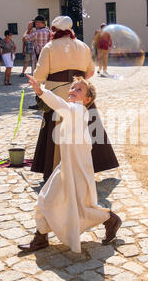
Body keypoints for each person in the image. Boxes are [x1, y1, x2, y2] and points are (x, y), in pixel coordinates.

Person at [18, 75, 122, 253]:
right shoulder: (75, 111)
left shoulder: (77, 110)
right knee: (47, 199)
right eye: (72, 88)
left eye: (79, 89)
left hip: (77, 170)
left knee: (79, 208)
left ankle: (110, 218)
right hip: (67, 167)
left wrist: (41, 91)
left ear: (87, 99)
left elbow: (59, 104)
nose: (73, 90)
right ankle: (41, 237)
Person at [31, 15, 119, 182]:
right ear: (70, 30)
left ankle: (55, 169)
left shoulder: (49, 47)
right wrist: (77, 83)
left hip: (56, 95)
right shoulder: (83, 46)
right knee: (90, 130)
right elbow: (91, 72)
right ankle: (88, 167)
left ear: (54, 30)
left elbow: (39, 76)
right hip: (79, 95)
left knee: (55, 135)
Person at [23, 15, 51, 108]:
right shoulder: (49, 31)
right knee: (48, 81)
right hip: (48, 59)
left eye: (35, 22)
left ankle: (39, 103)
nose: (35, 24)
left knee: (37, 81)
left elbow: (24, 39)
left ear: (39, 23)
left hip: (38, 59)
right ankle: (48, 102)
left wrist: (28, 29)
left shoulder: (36, 32)